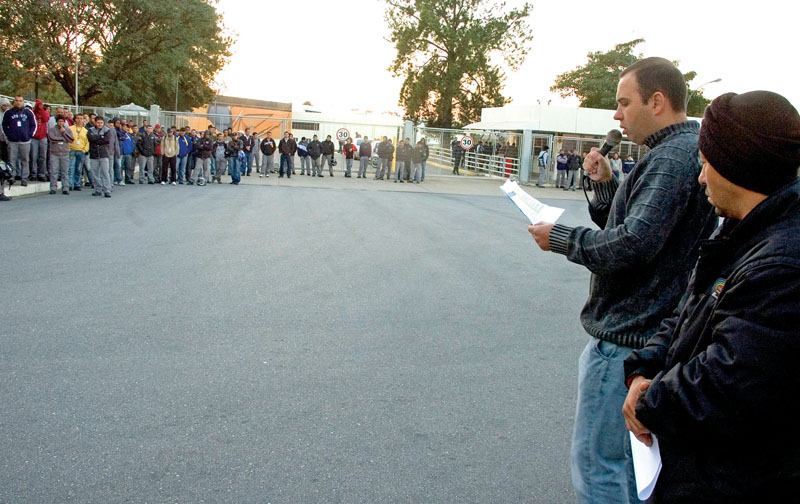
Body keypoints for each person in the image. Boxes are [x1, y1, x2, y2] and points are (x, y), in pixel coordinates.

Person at [528, 57, 717, 504]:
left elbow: (633, 244)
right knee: (633, 468)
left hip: (628, 336)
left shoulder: (671, 158)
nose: (616, 115)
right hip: (656, 333)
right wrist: (608, 185)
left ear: (657, 101)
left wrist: (560, 238)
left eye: (623, 103)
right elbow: (645, 231)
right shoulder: (682, 151)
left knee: (599, 467)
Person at [622, 90, 800, 503]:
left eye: (706, 164)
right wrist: (642, 367)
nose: (701, 177)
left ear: (736, 165)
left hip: (736, 480)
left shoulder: (782, 266)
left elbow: (728, 384)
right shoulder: (741, 232)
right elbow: (687, 314)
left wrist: (649, 398)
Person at [1, 95, 37, 186]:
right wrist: (8, 136)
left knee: (25, 160)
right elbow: (4, 125)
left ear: (23, 102)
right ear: (14, 102)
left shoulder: (28, 112)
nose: (18, 102)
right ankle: (11, 177)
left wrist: (29, 135)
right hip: (13, 141)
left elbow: (33, 125)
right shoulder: (9, 113)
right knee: (12, 160)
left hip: (25, 141)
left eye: (20, 100)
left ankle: (24, 178)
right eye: (16, 100)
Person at [47, 114, 74, 194]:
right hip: (54, 153)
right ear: (56, 122)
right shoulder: (52, 129)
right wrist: (63, 139)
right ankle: (53, 187)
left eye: (62, 121)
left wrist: (64, 133)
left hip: (65, 153)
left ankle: (65, 187)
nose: (61, 123)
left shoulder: (67, 130)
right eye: (59, 121)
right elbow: (52, 138)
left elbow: (71, 139)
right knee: (54, 171)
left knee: (65, 172)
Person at [86, 116, 112, 197]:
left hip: (104, 154)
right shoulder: (90, 130)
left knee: (105, 173)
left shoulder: (107, 130)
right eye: (98, 122)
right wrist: (100, 137)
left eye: (101, 123)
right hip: (94, 155)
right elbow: (90, 138)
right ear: (95, 122)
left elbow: (106, 140)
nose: (99, 124)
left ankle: (107, 190)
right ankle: (98, 189)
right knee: (95, 173)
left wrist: (97, 138)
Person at [67, 113, 88, 191]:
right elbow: (67, 138)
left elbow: (87, 142)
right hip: (72, 150)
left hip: (81, 151)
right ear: (75, 119)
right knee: (71, 167)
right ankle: (70, 184)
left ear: (83, 120)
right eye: (78, 118)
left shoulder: (85, 131)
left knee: (78, 168)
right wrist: (68, 147)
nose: (79, 120)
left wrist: (85, 149)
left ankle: (77, 184)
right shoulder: (70, 128)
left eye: (81, 118)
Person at [30, 99, 49, 182]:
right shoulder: (33, 113)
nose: (39, 107)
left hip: (43, 137)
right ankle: (33, 173)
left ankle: (42, 173)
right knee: (33, 157)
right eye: (38, 105)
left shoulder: (44, 113)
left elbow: (46, 119)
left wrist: (41, 109)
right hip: (34, 137)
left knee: (43, 157)